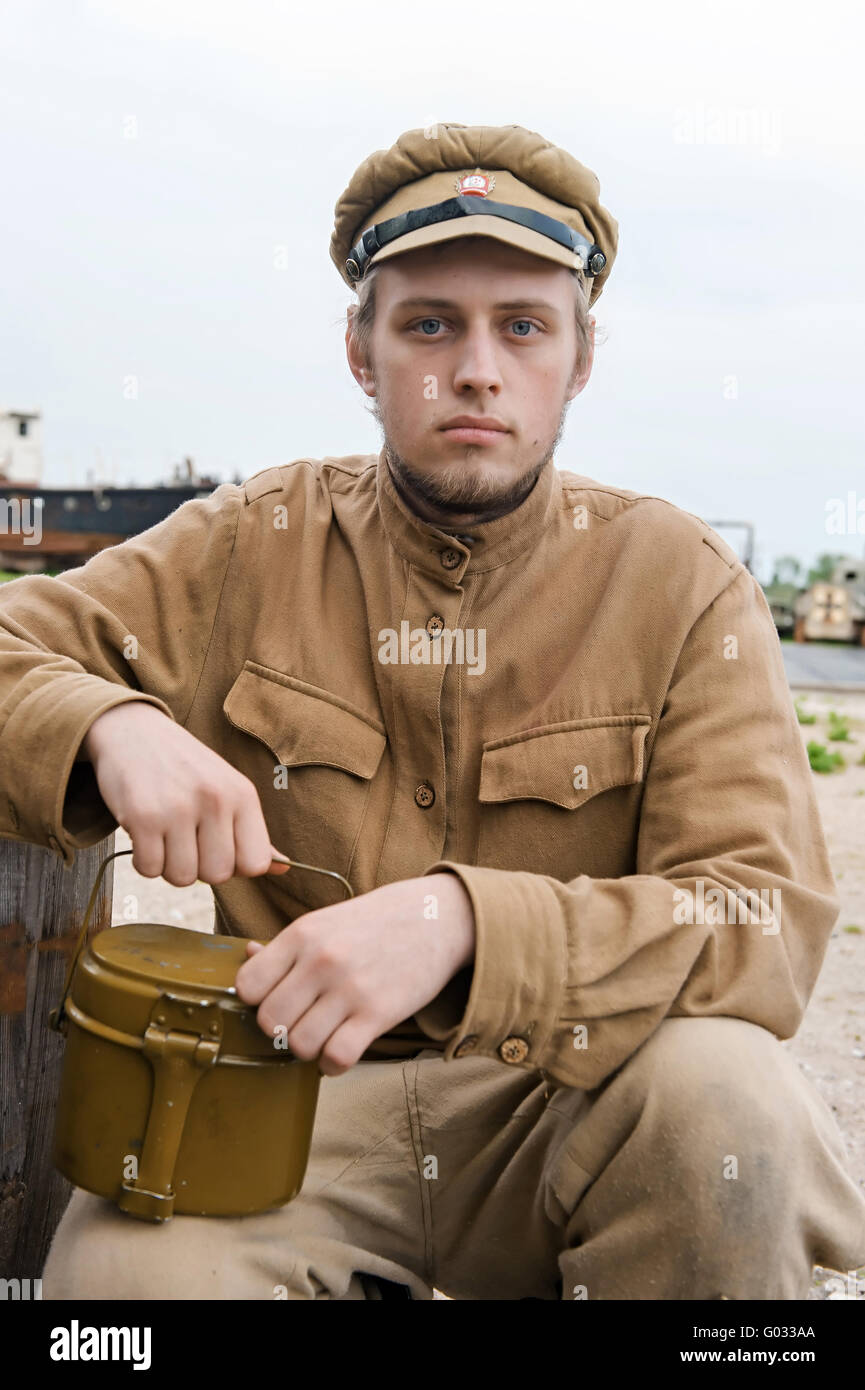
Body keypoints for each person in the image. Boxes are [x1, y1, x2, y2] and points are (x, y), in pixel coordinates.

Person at [1, 121, 863, 1300]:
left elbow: (755, 916)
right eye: (426, 324)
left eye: (521, 326)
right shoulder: (250, 542)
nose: (473, 368)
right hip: (285, 1110)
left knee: (729, 1104)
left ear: (580, 358)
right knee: (113, 1287)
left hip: (574, 1101)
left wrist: (463, 927)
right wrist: (104, 722)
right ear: (360, 352)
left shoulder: (680, 582)